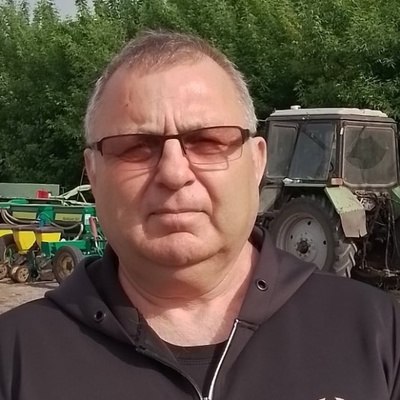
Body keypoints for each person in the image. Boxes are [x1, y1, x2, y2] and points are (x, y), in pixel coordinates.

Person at [0, 30, 399, 400]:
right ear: (93, 172)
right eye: (136, 146)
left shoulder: (378, 331)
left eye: (207, 141)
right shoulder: (14, 356)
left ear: (258, 162)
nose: (174, 173)